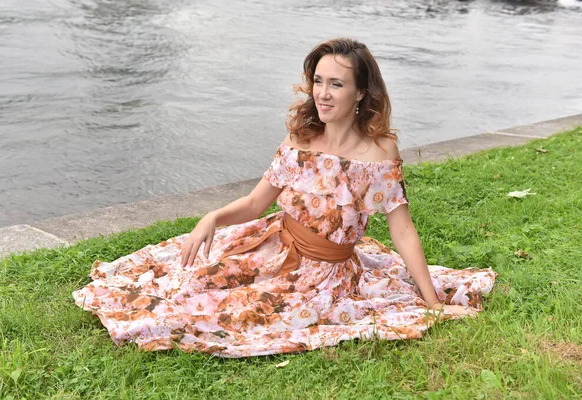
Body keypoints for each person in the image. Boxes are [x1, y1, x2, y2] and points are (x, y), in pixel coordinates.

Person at [73, 38, 496, 358]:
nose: (323, 94)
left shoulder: (378, 153)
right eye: (318, 81)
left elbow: (402, 230)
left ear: (361, 93)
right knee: (190, 287)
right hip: (271, 244)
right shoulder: (300, 139)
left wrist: (431, 301)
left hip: (326, 274)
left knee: (237, 316)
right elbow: (256, 205)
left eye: (336, 84)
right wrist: (212, 217)